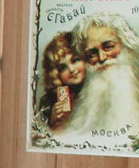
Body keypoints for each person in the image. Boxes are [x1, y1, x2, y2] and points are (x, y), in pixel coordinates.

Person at [56, 13, 139, 142]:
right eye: (92, 53)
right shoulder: (75, 102)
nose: (102, 58)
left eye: (108, 46)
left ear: (124, 44)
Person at [36, 31, 85, 130]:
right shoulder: (49, 102)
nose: (72, 70)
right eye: (63, 68)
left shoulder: (98, 88)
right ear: (55, 74)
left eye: (75, 60)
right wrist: (53, 121)